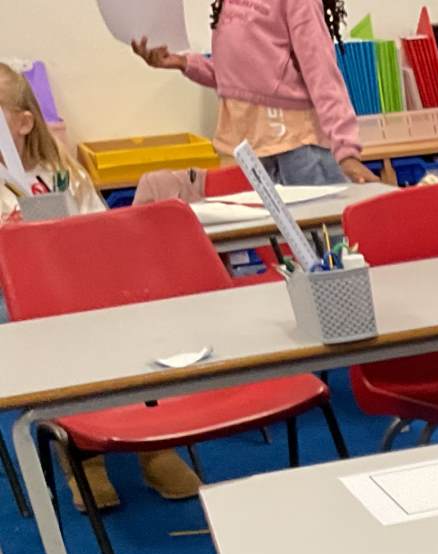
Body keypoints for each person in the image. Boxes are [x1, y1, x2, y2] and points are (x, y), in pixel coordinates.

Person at [0, 63, 200, 510]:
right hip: (19, 305)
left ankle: (154, 443)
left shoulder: (61, 172)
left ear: (23, 123)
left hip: (84, 291)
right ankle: (81, 456)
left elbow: (102, 229)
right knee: (53, 341)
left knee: (132, 324)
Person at [131, 0, 376, 187]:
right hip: (245, 152)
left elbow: (322, 74)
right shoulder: (228, 3)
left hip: (295, 147)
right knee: (266, 239)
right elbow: (236, 79)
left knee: (320, 236)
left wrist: (346, 151)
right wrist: (183, 63)